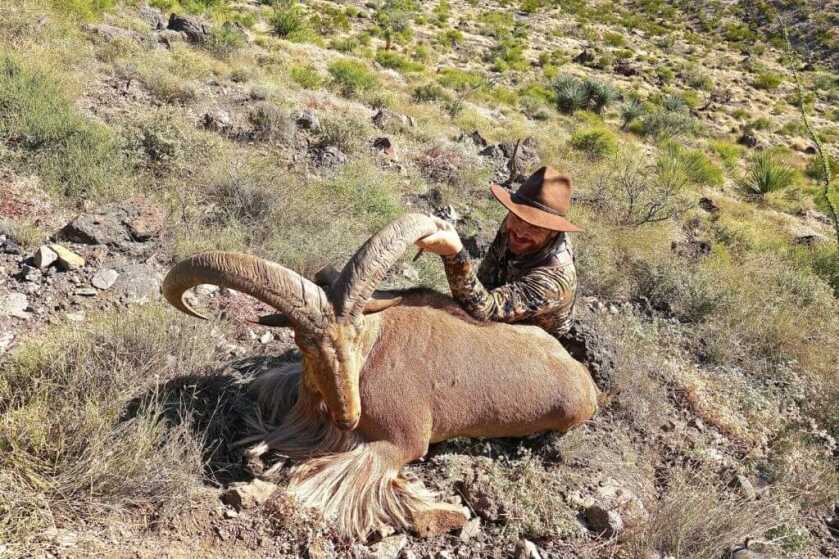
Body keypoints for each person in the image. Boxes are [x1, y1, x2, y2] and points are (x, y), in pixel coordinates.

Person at [416, 166, 613, 391]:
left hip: (534, 350)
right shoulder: (513, 227)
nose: (520, 231)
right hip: (499, 316)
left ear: (553, 231)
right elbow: (486, 281)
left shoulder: (555, 280)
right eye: (518, 217)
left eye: (535, 226)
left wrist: (453, 253)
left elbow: (485, 311)